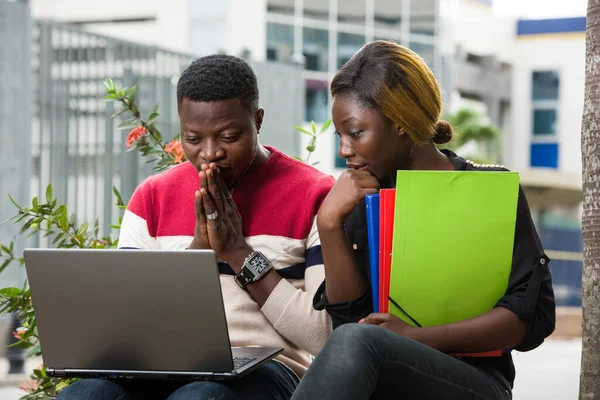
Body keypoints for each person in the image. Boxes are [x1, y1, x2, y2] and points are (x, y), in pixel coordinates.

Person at [58, 55, 334, 400]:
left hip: (269, 368)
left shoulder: (315, 195)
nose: (210, 153)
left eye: (229, 136)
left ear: (258, 121)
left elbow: (323, 335)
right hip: (163, 366)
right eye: (193, 138)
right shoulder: (152, 198)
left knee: (200, 397)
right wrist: (198, 253)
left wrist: (238, 253)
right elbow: (133, 326)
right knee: (84, 395)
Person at [291, 40, 556, 400]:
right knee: (354, 339)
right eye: (339, 135)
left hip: (474, 382)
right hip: (381, 380)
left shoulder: (488, 191)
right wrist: (329, 224)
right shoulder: (361, 199)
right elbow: (348, 325)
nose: (344, 150)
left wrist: (416, 336)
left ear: (400, 123)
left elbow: (525, 320)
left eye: (355, 133)